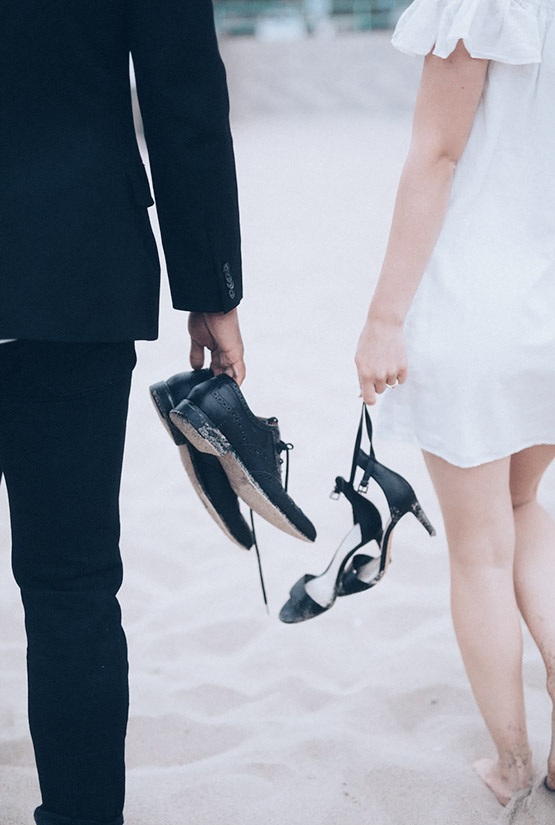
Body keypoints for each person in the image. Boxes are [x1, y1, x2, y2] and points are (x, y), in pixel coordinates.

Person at [0, 1, 245, 823]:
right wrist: (211, 290)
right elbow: (183, 91)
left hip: (77, 276)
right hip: (73, 264)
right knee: (71, 585)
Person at [355, 0, 555, 808]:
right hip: (547, 300)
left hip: (478, 300)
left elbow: (436, 154)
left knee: (479, 550)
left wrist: (382, 319)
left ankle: (511, 762)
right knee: (522, 504)